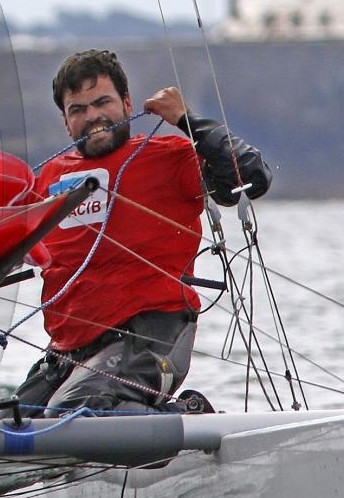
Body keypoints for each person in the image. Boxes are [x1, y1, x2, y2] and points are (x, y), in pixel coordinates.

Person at [19, 49, 272, 414]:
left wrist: (186, 119)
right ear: (66, 121)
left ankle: (188, 418)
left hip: (152, 336)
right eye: (78, 110)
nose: (92, 117)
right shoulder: (48, 179)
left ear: (126, 103)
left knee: (71, 412)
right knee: (0, 427)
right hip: (67, 353)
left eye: (102, 102)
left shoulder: (169, 157)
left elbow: (254, 175)